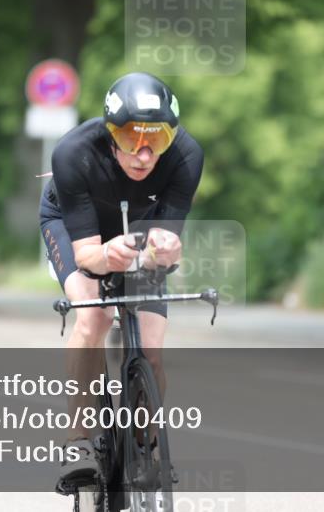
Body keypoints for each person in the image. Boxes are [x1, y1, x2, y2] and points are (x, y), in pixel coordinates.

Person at [40, 72, 203, 482]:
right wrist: (107, 256)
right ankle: (78, 440)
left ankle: (147, 444)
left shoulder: (187, 157)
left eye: (157, 142)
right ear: (112, 135)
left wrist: (167, 250)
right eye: (132, 141)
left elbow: (165, 244)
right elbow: (89, 257)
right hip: (76, 227)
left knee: (150, 349)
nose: (144, 155)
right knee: (93, 318)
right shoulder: (73, 153)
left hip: (136, 226)